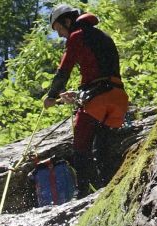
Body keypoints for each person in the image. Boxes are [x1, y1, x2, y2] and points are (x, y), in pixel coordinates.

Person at [43, 4, 129, 195]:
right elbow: (102, 73)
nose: (59, 35)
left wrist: (51, 96)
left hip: (98, 100)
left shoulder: (77, 36)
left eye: (58, 29)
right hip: (119, 99)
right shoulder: (102, 35)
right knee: (102, 148)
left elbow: (63, 71)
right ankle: (109, 190)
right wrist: (78, 94)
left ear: (67, 21)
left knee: (81, 147)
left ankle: (84, 195)